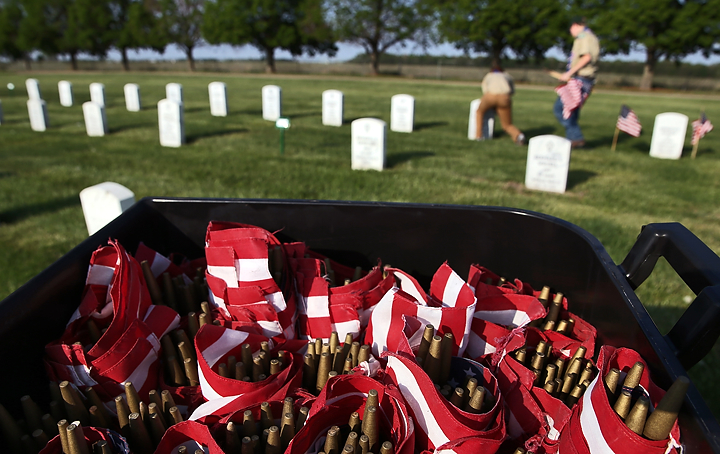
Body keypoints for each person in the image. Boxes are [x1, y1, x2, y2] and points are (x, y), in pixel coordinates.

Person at [554, 16, 600, 148]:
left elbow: (586, 57)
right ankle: (572, 140)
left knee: (560, 108)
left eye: (570, 29)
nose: (570, 32)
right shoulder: (590, 37)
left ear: (574, 25)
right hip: (584, 79)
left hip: (581, 78)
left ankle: (576, 137)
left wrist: (568, 73)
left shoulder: (584, 37)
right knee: (571, 111)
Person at [476, 64, 525, 145]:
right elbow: (512, 91)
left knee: (479, 112)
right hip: (504, 97)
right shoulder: (507, 76)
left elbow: (484, 89)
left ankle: (478, 136)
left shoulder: (489, 75)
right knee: (507, 124)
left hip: (490, 96)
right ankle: (519, 136)